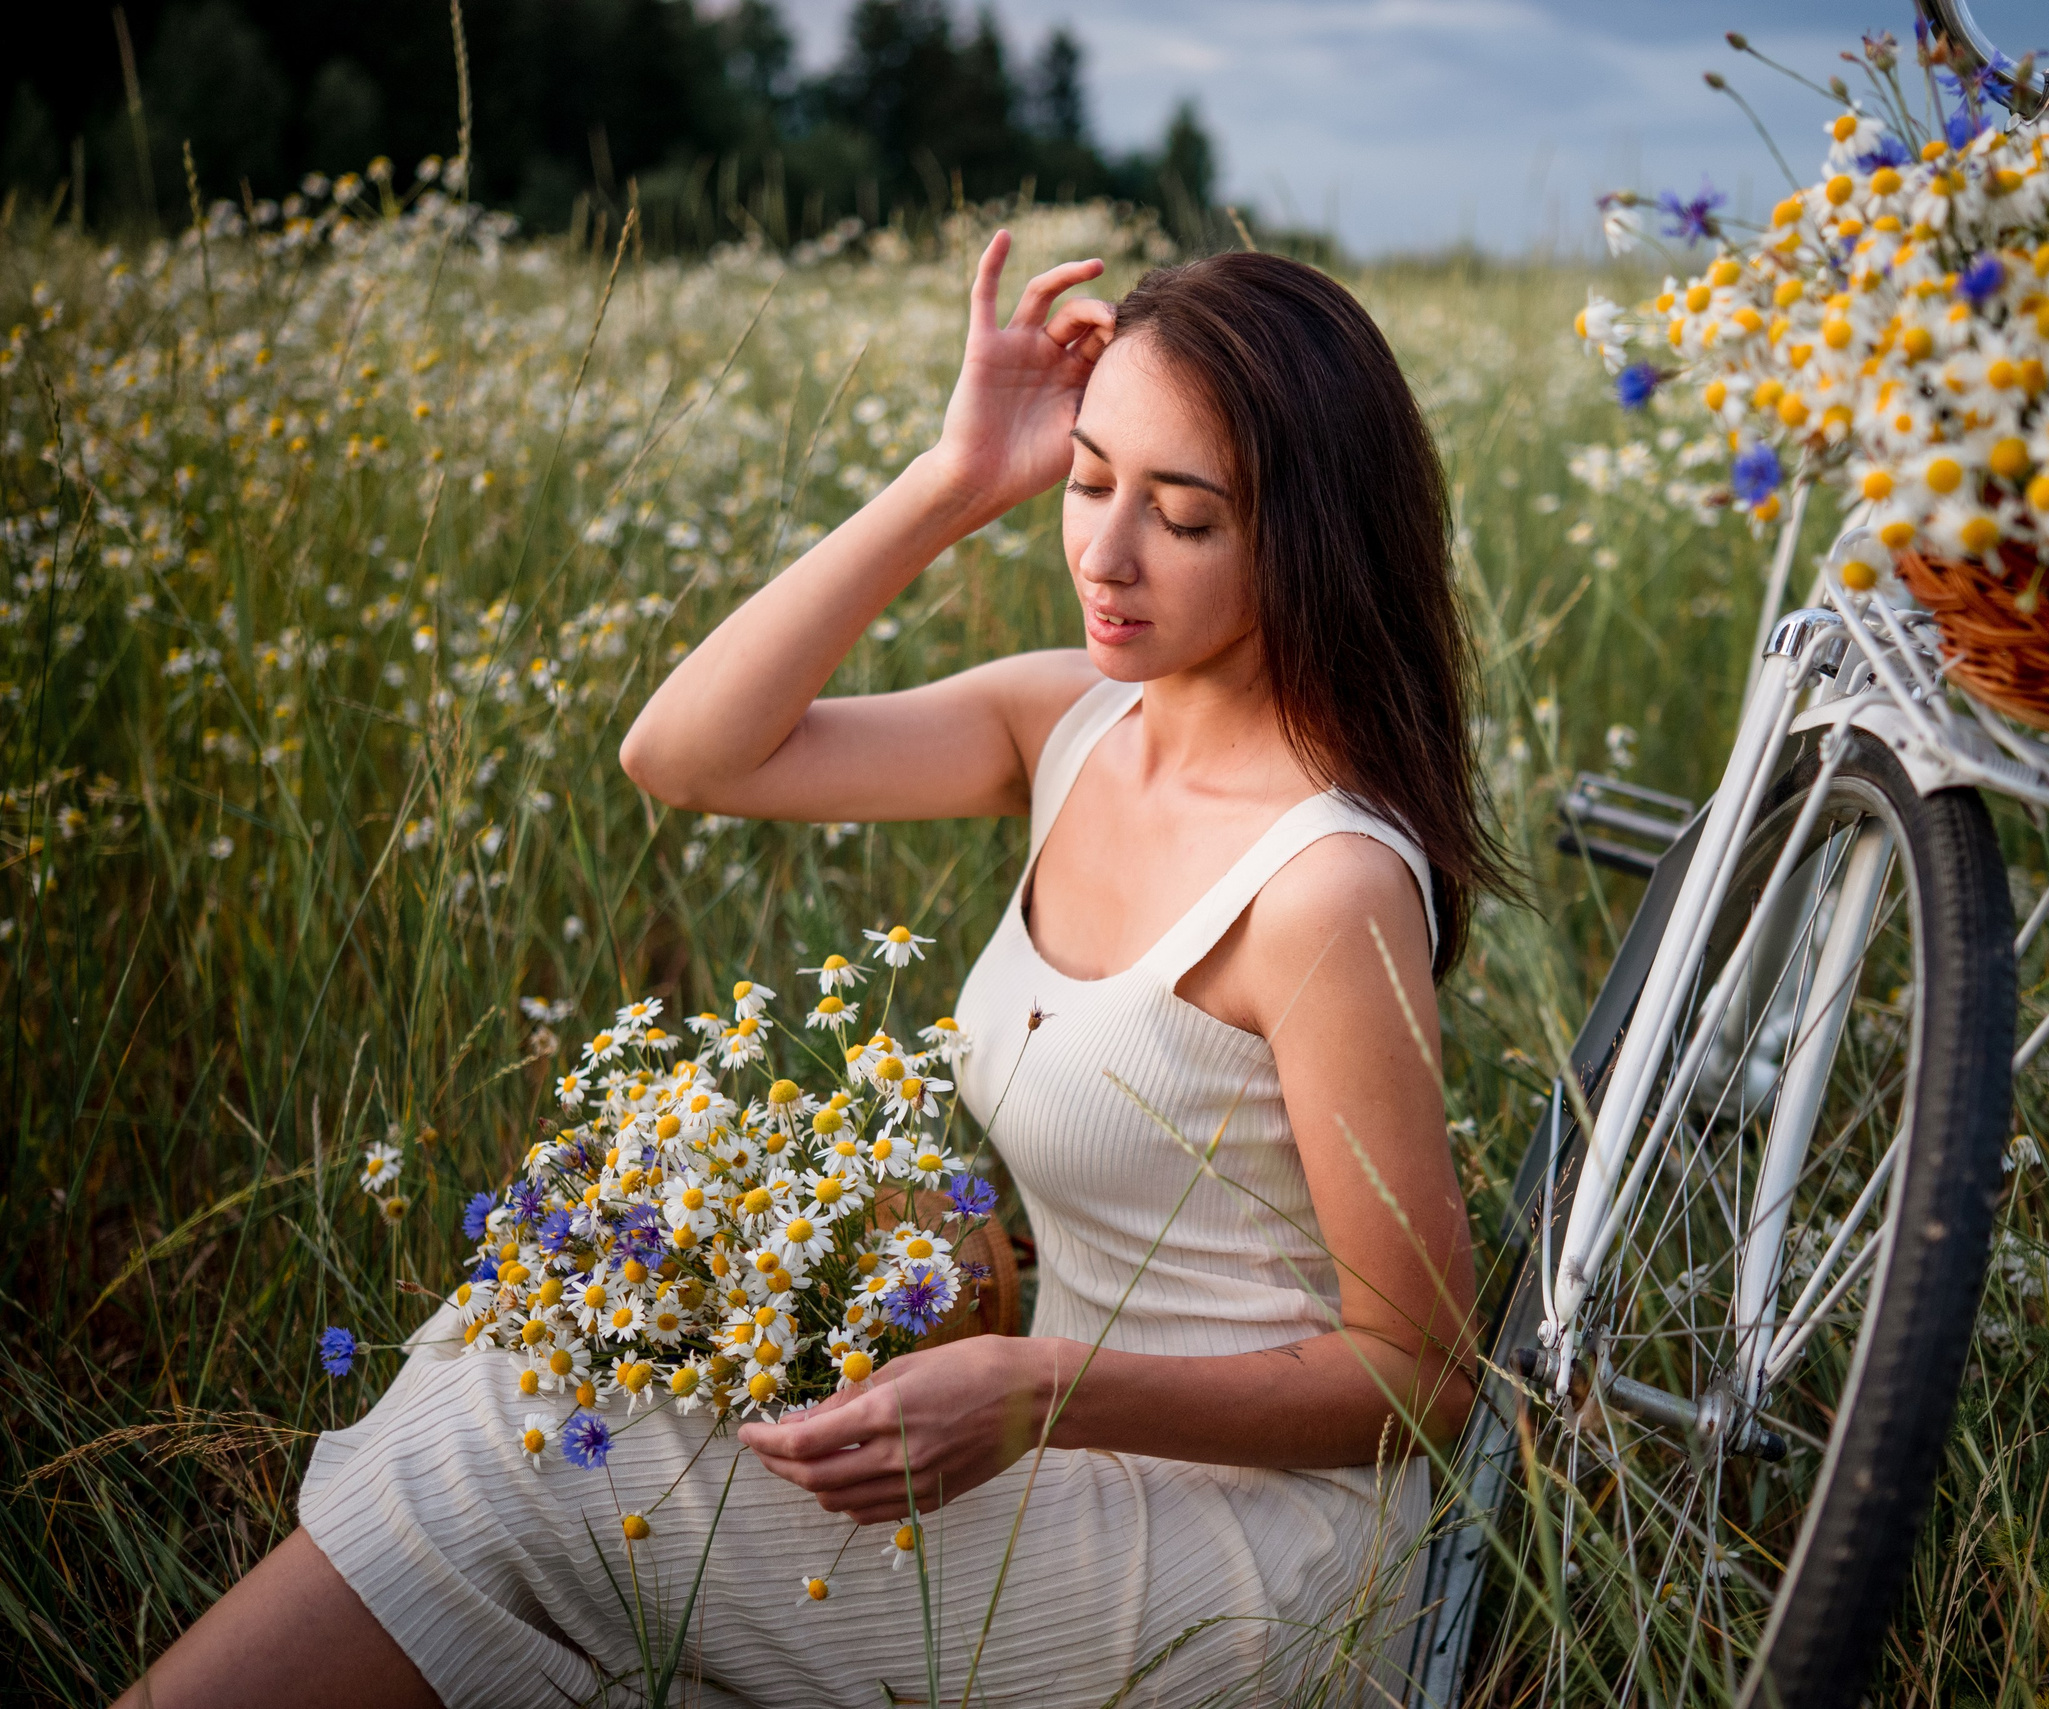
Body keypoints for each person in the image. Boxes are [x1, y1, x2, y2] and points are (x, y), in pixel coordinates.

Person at [118, 233, 1501, 1708]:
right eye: (1089, 481)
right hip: (1058, 1443)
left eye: (1183, 516)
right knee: (536, 1327)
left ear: (1308, 537)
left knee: (523, 1420)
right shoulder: (1078, 726)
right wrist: (955, 477)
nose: (1102, 552)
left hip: (1253, 1565)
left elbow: (1422, 1377)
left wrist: (1040, 1391)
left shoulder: (1322, 885)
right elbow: (690, 753)